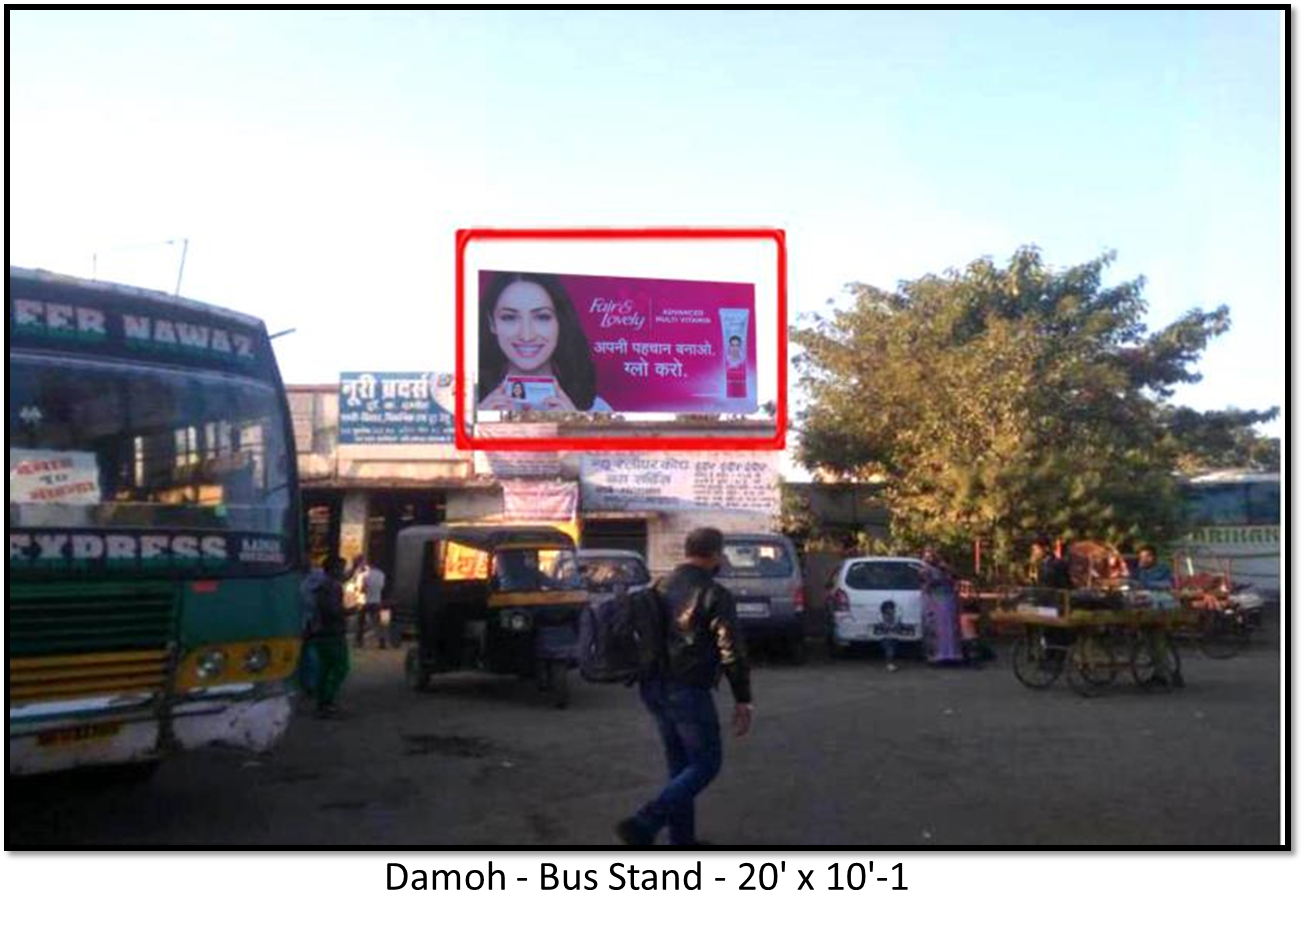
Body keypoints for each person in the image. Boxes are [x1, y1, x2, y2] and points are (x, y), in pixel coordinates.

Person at [617, 527, 753, 846]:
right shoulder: (714, 594)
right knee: (706, 764)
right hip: (687, 690)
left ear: (687, 550)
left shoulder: (658, 586)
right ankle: (644, 823)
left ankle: (682, 840)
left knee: (680, 768)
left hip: (653, 686)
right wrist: (743, 699)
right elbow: (730, 649)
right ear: (716, 555)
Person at [478, 271, 613, 413]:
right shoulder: (469, 408)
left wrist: (574, 430)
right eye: (509, 317)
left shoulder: (598, 411)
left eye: (542, 317)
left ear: (560, 322)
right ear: (491, 323)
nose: (526, 335)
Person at [306, 556, 351, 718]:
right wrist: (352, 610)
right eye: (340, 568)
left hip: (322, 633)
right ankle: (327, 701)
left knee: (324, 669)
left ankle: (323, 703)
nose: (342, 572)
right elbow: (331, 612)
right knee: (340, 667)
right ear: (332, 570)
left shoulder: (322, 585)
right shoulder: (331, 587)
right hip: (332, 633)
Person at [920, 547, 964, 665]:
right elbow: (925, 584)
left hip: (947, 601)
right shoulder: (925, 569)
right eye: (928, 556)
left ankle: (952, 655)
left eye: (933, 556)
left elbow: (957, 577)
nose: (930, 558)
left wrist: (947, 572)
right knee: (936, 628)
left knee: (950, 628)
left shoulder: (945, 568)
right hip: (935, 601)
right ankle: (937, 656)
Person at [353, 558, 388, 649]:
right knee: (378, 623)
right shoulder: (381, 574)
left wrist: (355, 589)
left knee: (360, 624)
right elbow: (382, 588)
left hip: (363, 601)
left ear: (367, 565)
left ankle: (359, 642)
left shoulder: (363, 575)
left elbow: (361, 589)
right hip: (376, 601)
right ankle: (382, 642)